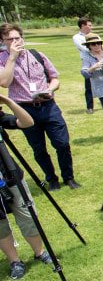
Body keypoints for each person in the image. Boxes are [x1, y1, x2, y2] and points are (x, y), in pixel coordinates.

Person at [0, 23, 81, 191]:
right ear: (2, 41)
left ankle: (69, 177)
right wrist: (12, 58)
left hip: (48, 106)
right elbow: (4, 82)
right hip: (25, 110)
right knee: (38, 148)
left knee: (62, 144)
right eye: (11, 39)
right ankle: (51, 179)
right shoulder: (2, 61)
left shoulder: (37, 55)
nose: (16, 42)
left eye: (18, 38)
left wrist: (49, 89)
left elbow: (55, 78)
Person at [0, 93, 54, 279]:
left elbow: (27, 122)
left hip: (8, 173)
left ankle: (39, 252)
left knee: (27, 214)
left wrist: (8, 102)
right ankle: (15, 261)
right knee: (0, 224)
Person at [72, 18, 94, 114]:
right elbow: (84, 49)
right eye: (89, 25)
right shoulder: (77, 37)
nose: (91, 27)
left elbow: (101, 48)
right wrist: (95, 48)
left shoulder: (94, 36)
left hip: (98, 59)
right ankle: (90, 107)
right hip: (87, 62)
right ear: (82, 26)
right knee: (89, 85)